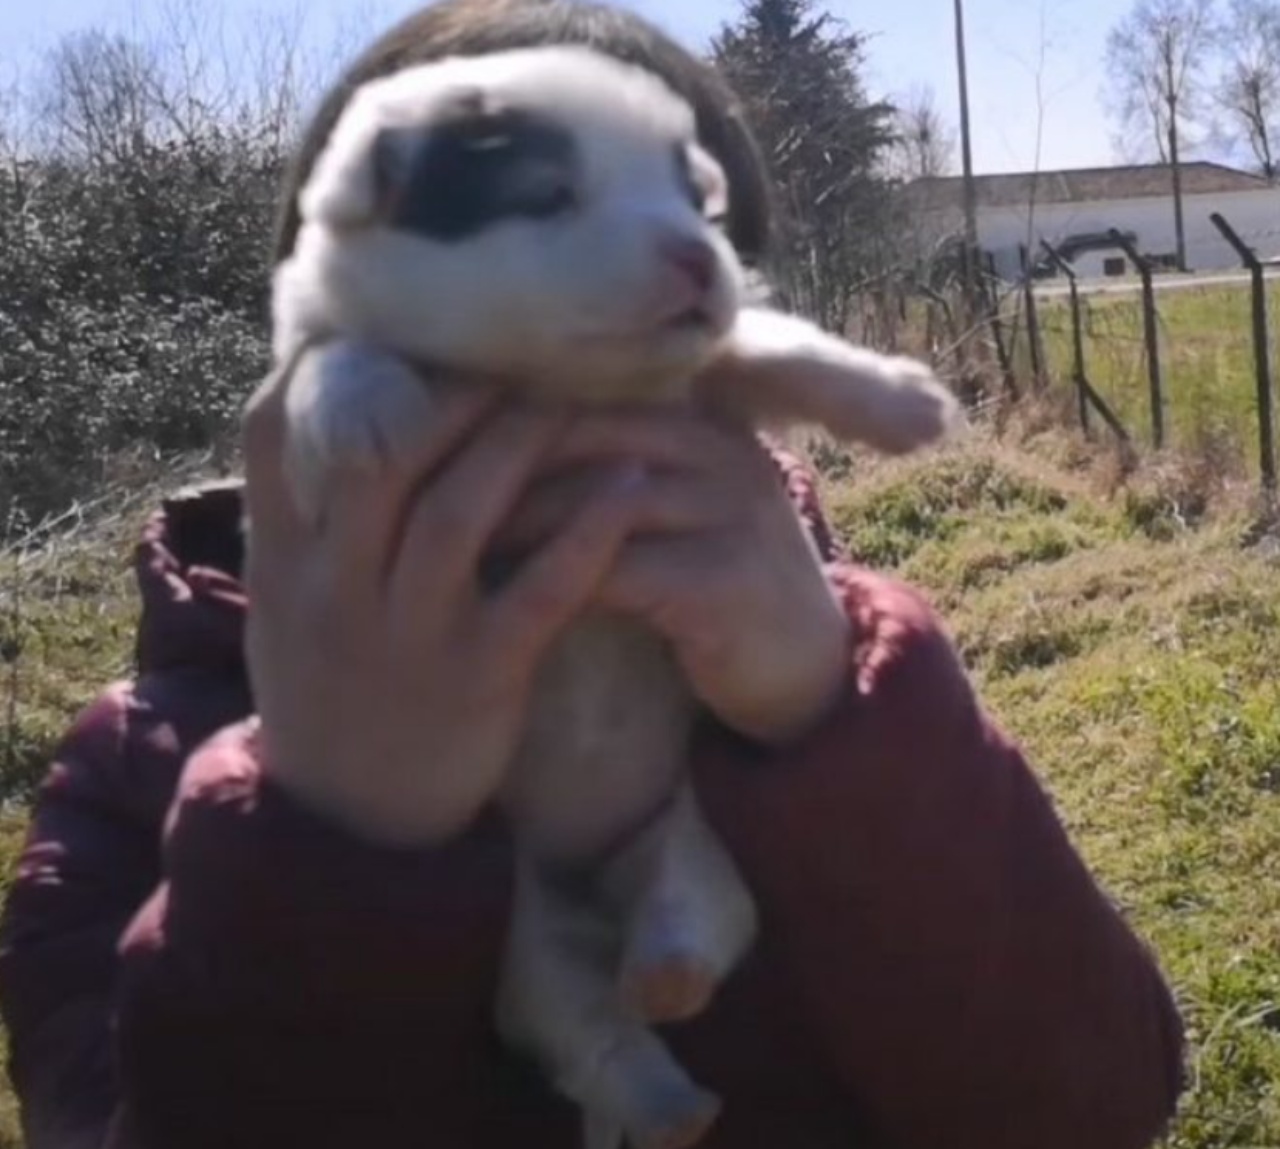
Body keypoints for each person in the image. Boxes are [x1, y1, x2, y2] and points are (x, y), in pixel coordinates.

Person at [0, 2, 1186, 1147]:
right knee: (558, 977)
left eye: (694, 208)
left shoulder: (839, 685)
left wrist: (834, 713)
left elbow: (1094, 1106)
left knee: (686, 900)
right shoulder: (134, 778)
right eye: (559, 204)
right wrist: (324, 833)